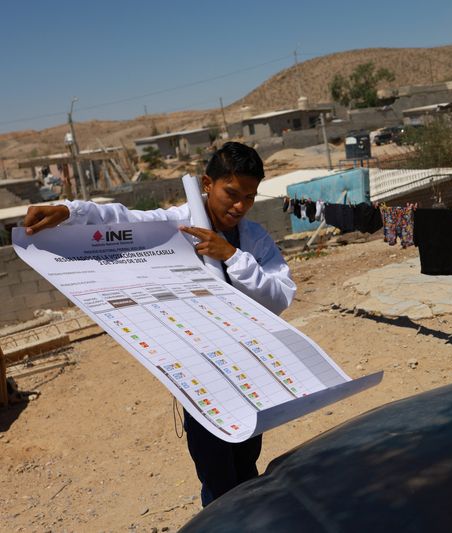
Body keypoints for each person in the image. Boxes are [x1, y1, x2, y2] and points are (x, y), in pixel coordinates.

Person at [23, 141, 296, 506]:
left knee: (247, 462)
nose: (239, 206)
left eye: (249, 197)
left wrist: (231, 256)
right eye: (232, 193)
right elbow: (122, 219)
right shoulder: (176, 227)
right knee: (217, 476)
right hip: (202, 376)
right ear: (207, 183)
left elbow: (278, 297)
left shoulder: (254, 238)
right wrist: (70, 211)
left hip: (249, 367)